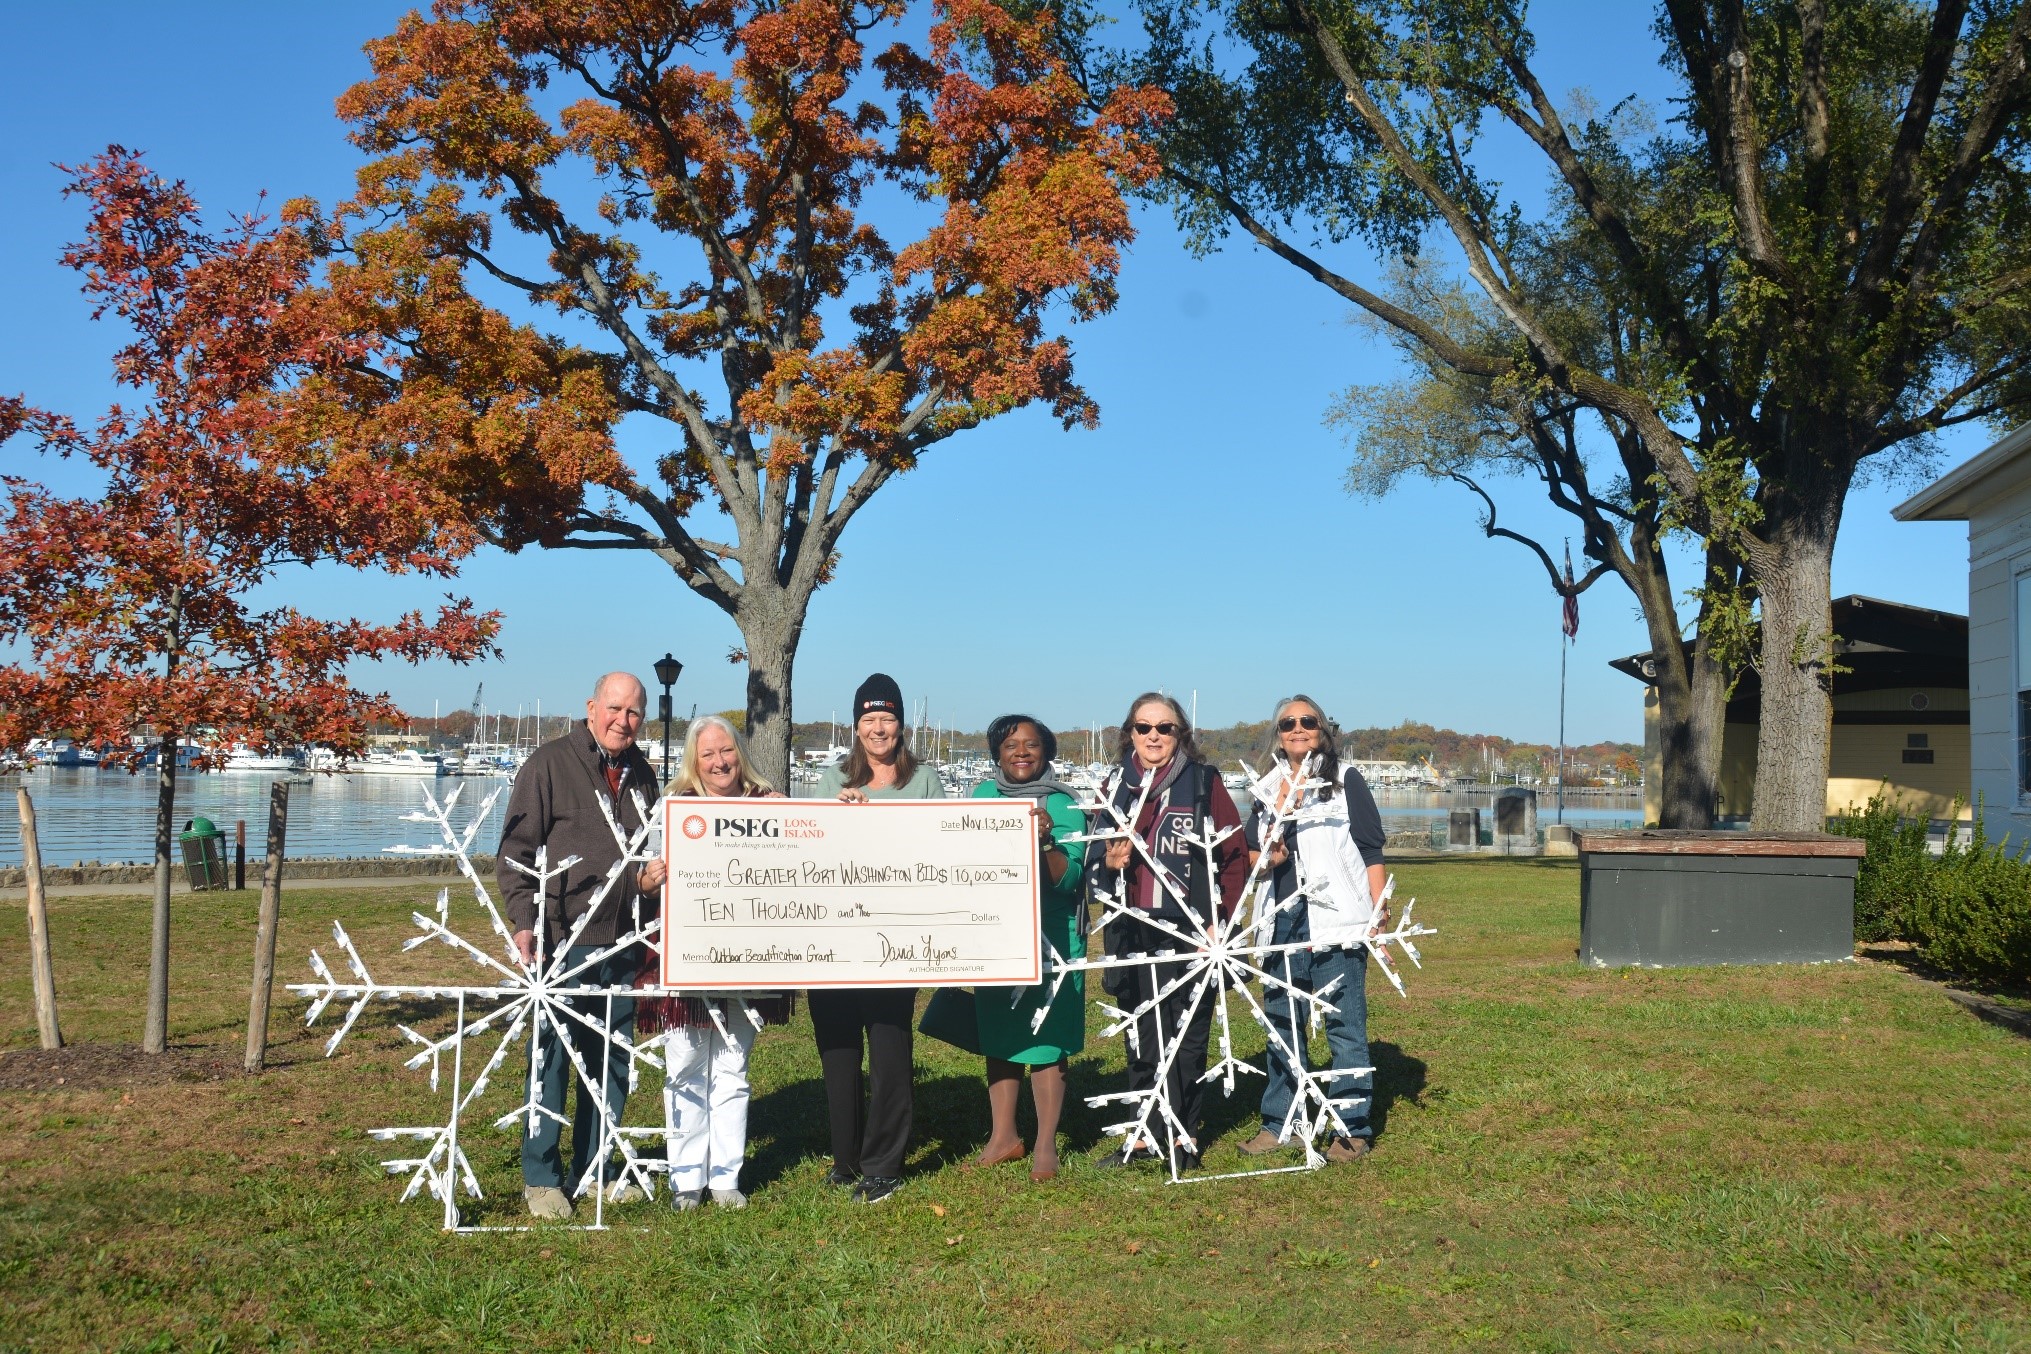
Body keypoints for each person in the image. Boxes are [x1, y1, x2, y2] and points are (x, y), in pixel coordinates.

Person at [498, 671, 668, 1220]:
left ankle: (596, 1165)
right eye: (615, 709)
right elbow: (516, 852)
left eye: (635, 713)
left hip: (621, 939)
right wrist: (524, 922)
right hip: (561, 941)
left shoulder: (643, 774)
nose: (624, 721)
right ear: (592, 707)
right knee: (550, 1057)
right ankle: (541, 1176)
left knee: (611, 1057)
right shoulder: (548, 765)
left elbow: (646, 853)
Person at [1086, 692, 1246, 1170]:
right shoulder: (1114, 787)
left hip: (1194, 929)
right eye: (1143, 727)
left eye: (1164, 728)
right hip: (1132, 928)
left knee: (1188, 1033)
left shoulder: (1202, 783)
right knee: (1141, 1031)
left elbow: (1234, 857)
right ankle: (1141, 1134)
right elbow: (1093, 862)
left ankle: (1183, 1136)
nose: (1153, 736)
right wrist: (1109, 864)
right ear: (1129, 733)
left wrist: (1223, 922)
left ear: (1181, 735)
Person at [643, 715, 791, 1212]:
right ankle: (685, 1178)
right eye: (707, 754)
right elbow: (644, 879)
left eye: (726, 751)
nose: (719, 762)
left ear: (740, 753)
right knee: (684, 1063)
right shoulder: (672, 811)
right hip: (686, 956)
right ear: (694, 761)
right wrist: (650, 878)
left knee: (733, 1066)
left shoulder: (769, 806)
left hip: (749, 956)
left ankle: (726, 1177)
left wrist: (791, 821)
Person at [812, 673, 945, 1204]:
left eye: (887, 718)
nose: (878, 728)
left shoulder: (926, 780)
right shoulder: (830, 779)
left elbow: (944, 848)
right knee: (838, 1050)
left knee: (890, 1046)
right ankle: (845, 1159)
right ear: (856, 726)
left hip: (899, 936)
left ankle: (883, 1162)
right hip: (836, 938)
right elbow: (809, 851)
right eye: (869, 719)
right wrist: (834, 820)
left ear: (901, 724)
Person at [1237, 695, 1387, 1163]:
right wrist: (1271, 854)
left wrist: (1378, 913)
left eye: (1307, 721)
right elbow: (1251, 858)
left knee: (1344, 1023)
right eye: (1287, 724)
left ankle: (1352, 1128)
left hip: (1336, 919)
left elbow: (1371, 849)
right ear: (1277, 734)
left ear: (1322, 729)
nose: (1297, 729)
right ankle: (1281, 1122)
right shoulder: (1266, 788)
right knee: (1283, 1024)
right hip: (1280, 918)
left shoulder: (1345, 781)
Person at [961, 715, 1087, 1182]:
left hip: (1053, 936)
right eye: (1011, 744)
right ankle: (1003, 1136)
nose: (1021, 752)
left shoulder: (1065, 804)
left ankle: (1045, 1143)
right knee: (1001, 1035)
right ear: (996, 752)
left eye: (1032, 745)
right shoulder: (979, 798)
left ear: (1046, 753)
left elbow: (1070, 879)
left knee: (1047, 1039)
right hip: (994, 931)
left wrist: (1047, 839)